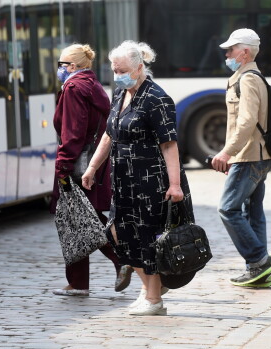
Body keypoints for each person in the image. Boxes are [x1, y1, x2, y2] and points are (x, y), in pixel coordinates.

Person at [82, 40, 192, 316]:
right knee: (118, 232)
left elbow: (169, 144)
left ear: (139, 67)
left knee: (146, 238)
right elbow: (109, 134)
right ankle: (148, 289)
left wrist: (175, 184)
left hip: (151, 180)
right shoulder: (120, 95)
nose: (117, 74)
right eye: (114, 70)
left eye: (122, 70)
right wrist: (92, 167)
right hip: (123, 180)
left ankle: (153, 298)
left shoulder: (157, 98)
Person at [50, 44, 133, 296]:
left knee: (79, 219)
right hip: (93, 163)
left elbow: (72, 132)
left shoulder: (74, 88)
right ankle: (78, 282)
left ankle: (119, 259)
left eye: (61, 65)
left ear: (73, 67)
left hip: (77, 164)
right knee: (82, 217)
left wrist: (63, 164)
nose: (60, 70)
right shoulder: (94, 85)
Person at [210, 28, 271, 287]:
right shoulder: (251, 76)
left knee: (227, 209)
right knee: (253, 212)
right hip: (257, 155)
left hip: (248, 156)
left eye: (231, 49)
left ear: (245, 52)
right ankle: (259, 273)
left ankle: (259, 260)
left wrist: (228, 152)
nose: (227, 54)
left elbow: (248, 120)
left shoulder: (248, 79)